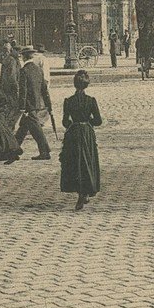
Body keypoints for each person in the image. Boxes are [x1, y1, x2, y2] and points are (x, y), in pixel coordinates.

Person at [59, 70, 102, 211]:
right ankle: (87, 190)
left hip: (74, 134)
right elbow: (98, 121)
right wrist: (87, 120)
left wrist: (74, 122)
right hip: (87, 134)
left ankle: (80, 193)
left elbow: (65, 122)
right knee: (88, 161)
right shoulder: (91, 100)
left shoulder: (68, 101)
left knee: (76, 163)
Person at [15, 47, 52, 160]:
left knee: (36, 130)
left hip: (28, 106)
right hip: (37, 104)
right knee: (23, 128)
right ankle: (13, 150)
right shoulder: (38, 70)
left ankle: (45, 151)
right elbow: (44, 90)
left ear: (23, 57)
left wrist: (22, 107)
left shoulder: (24, 71)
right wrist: (48, 104)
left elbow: (23, 91)